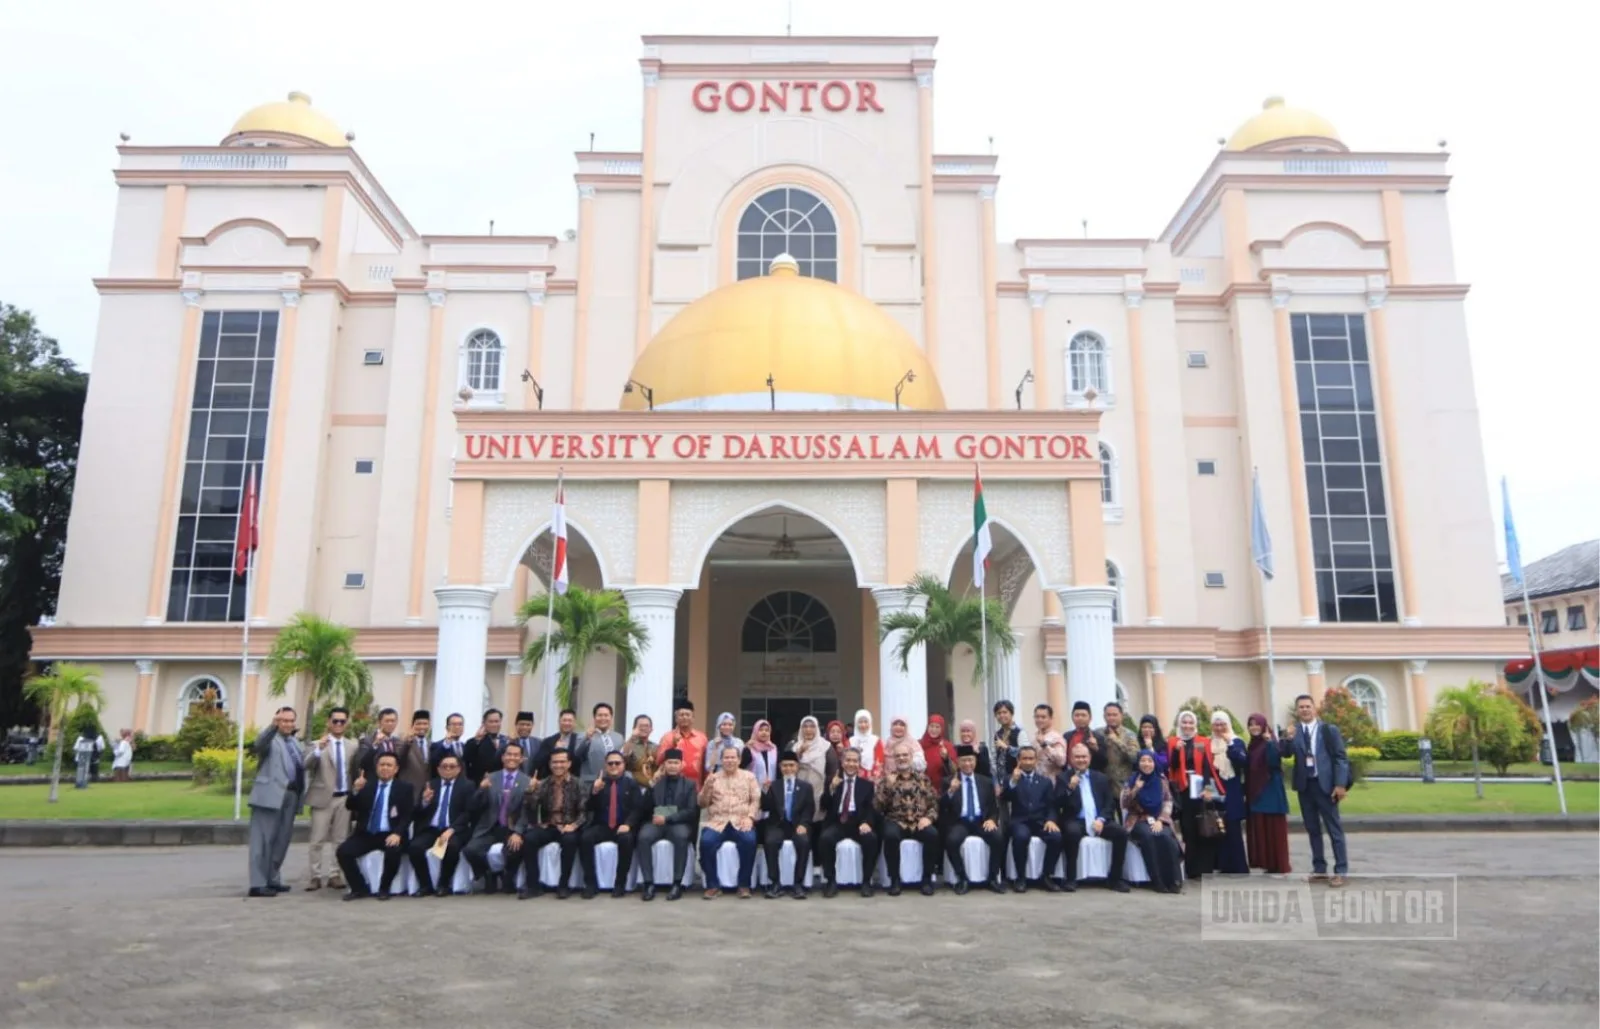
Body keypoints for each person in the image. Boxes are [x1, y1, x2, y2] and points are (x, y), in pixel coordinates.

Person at [1282, 693, 1350, 887]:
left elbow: (1340, 757)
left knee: (1334, 829)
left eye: (1307, 706)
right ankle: (1319, 869)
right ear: (1297, 711)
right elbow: (1285, 753)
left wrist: (1340, 784)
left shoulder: (1328, 730)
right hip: (1306, 786)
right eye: (1301, 707)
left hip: (1326, 786)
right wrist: (1287, 737)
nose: (1304, 710)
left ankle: (1341, 870)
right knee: (1313, 830)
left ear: (1314, 708)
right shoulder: (1295, 732)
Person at [335, 752, 416, 900]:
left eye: (389, 765)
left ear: (396, 769)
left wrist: (397, 833)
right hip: (366, 833)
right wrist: (355, 791)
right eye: (382, 765)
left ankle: (384, 888)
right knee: (343, 852)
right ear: (376, 767)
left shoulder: (405, 788)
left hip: (391, 833)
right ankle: (359, 888)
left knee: (393, 851)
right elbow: (351, 806)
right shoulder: (367, 785)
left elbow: (407, 815)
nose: (385, 768)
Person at [246, 707, 305, 898]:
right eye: (283, 720)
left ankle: (273, 878)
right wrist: (272, 726)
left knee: (281, 841)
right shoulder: (271, 740)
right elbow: (259, 744)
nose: (287, 724)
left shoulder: (295, 742)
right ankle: (258, 883)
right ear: (277, 721)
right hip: (269, 796)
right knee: (262, 841)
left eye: (290, 721)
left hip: (290, 795)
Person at [1057, 742, 1130, 893]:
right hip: (1076, 820)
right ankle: (1071, 878)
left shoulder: (1101, 778)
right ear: (1071, 759)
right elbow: (1057, 801)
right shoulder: (1063, 778)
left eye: (1084, 757)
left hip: (1098, 820)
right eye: (1077, 757)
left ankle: (1115, 878)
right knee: (1071, 833)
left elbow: (1109, 804)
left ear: (1089, 758)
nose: (1081, 760)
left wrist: (1101, 819)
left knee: (1121, 833)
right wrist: (1070, 788)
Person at [462, 741, 530, 894]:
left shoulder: (528, 782)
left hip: (511, 828)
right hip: (490, 827)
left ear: (521, 759)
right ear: (503, 757)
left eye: (516, 755)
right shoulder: (491, 778)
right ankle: (487, 875)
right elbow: (473, 806)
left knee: (515, 849)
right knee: (470, 850)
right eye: (509, 754)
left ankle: (508, 877)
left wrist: (518, 832)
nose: (512, 758)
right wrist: (481, 789)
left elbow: (527, 812)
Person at [875, 742, 942, 896]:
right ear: (893, 759)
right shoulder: (887, 780)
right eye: (898, 755)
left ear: (911, 757)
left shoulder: (923, 779)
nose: (902, 758)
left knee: (932, 835)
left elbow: (934, 804)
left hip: (919, 822)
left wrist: (928, 819)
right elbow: (878, 807)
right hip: (896, 821)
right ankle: (895, 880)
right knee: (890, 836)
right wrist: (888, 787)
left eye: (905, 755)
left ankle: (926, 880)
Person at [409, 752, 477, 896]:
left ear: (459, 769)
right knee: (415, 847)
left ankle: (443, 884)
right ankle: (425, 885)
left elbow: (468, 812)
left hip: (454, 830)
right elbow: (417, 813)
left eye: (452, 766)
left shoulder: (467, 785)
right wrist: (424, 802)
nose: (447, 770)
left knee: (450, 847)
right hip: (432, 829)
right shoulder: (430, 785)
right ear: (438, 769)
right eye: (444, 766)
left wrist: (452, 829)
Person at [303, 706, 356, 891]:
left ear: (347, 723)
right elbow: (306, 764)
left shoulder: (352, 746)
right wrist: (318, 750)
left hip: (344, 798)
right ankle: (315, 875)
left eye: (342, 721)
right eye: (335, 721)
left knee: (340, 839)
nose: (339, 724)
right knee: (317, 839)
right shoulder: (318, 743)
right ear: (329, 722)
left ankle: (335, 874)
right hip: (323, 797)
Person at [634, 747, 698, 900]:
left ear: (681, 765)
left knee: (681, 837)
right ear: (664, 765)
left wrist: (667, 818)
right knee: (643, 837)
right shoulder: (657, 782)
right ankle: (648, 883)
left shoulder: (689, 784)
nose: (672, 766)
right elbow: (645, 807)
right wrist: (651, 785)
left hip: (678, 823)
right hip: (656, 822)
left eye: (676, 763)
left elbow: (690, 811)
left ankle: (677, 883)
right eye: (669, 763)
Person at [521, 746, 585, 899]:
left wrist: (574, 825)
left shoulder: (578, 783)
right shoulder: (544, 783)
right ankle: (533, 886)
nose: (558, 765)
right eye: (555, 762)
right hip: (549, 825)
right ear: (550, 764)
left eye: (562, 762)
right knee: (529, 839)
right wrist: (531, 791)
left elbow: (584, 811)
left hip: (569, 825)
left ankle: (563, 885)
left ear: (569, 764)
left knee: (570, 842)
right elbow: (531, 807)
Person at [697, 745, 760, 898]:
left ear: (739, 760)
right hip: (718, 822)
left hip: (741, 821)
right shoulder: (714, 778)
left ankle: (744, 885)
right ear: (721, 760)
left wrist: (750, 817)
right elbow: (702, 803)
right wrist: (707, 786)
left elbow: (756, 800)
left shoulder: (749, 777)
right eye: (726, 757)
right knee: (705, 843)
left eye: (733, 757)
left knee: (749, 841)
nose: (730, 760)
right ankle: (713, 885)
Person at [941, 744, 1005, 894]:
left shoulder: (986, 781)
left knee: (997, 837)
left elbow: (993, 807)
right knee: (951, 841)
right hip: (960, 822)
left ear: (975, 761)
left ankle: (992, 878)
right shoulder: (949, 781)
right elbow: (941, 806)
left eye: (970, 760)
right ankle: (962, 878)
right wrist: (950, 791)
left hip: (980, 821)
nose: (967, 764)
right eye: (964, 761)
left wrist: (992, 819)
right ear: (958, 762)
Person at [579, 750, 643, 899]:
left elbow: (638, 808)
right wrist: (594, 792)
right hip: (602, 825)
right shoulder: (600, 783)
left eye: (617, 763)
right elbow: (589, 808)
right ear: (605, 766)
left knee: (626, 840)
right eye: (610, 763)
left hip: (623, 826)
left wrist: (628, 824)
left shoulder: (631, 784)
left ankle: (620, 884)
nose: (614, 766)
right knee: (585, 838)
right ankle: (590, 884)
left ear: (624, 765)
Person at [817, 747, 879, 898]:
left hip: (858, 822)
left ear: (859, 764)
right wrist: (831, 789)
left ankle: (866, 881)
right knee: (825, 839)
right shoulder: (833, 781)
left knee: (871, 839)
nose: (851, 764)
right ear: (842, 763)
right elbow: (824, 805)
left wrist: (867, 823)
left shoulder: (867, 785)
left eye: (855, 761)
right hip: (838, 822)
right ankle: (831, 881)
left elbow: (871, 809)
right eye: (848, 760)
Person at [1002, 745, 1063, 893]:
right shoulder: (1010, 779)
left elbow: (1051, 805)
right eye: (1025, 759)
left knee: (1056, 837)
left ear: (1036, 760)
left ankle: (1047, 876)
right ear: (1019, 760)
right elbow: (1005, 797)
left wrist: (1050, 820)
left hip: (1040, 821)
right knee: (1021, 837)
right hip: (1020, 821)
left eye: (1031, 759)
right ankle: (1021, 877)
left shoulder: (1045, 781)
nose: (1028, 762)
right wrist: (1014, 782)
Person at [1121, 750, 1184, 893]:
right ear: (1138, 763)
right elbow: (1125, 804)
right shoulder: (1132, 780)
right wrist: (1136, 789)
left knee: (1166, 837)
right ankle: (1158, 881)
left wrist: (1161, 820)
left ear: (1154, 763)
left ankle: (1174, 881)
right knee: (1148, 837)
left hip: (1158, 819)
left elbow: (1168, 801)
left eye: (1150, 761)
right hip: (1137, 820)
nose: (1146, 764)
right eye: (1143, 761)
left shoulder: (1161, 781)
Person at [1167, 710, 1218, 881]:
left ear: (1195, 725)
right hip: (1183, 789)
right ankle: (1192, 869)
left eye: (1190, 723)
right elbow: (1171, 767)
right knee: (1188, 829)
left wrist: (1207, 788)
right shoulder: (1174, 741)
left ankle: (1206, 867)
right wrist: (1176, 751)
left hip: (1200, 788)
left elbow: (1207, 766)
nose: (1187, 726)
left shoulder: (1202, 742)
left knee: (1203, 827)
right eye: (1184, 723)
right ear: (1179, 724)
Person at [760, 750, 815, 899]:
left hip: (798, 825)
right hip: (778, 825)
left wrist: (804, 824)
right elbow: (765, 807)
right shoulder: (774, 785)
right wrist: (764, 791)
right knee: (770, 842)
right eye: (785, 766)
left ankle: (798, 883)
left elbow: (809, 809)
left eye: (791, 765)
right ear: (780, 767)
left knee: (803, 842)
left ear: (797, 767)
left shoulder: (806, 787)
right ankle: (775, 883)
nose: (788, 769)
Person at [1244, 712, 1292, 875]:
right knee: (1263, 827)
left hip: (1270, 788)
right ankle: (1268, 863)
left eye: (1257, 724)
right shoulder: (1253, 744)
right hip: (1257, 791)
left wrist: (1270, 742)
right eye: (1251, 724)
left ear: (1264, 725)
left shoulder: (1270, 742)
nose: (1254, 727)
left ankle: (1280, 864)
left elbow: (1273, 762)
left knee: (1274, 827)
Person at [1210, 710, 1249, 875]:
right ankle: (1222, 864)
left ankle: (1239, 866)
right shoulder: (1209, 743)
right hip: (1214, 786)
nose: (1219, 728)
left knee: (1233, 826)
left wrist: (1230, 744)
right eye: (1216, 724)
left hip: (1232, 786)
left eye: (1222, 724)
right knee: (1218, 825)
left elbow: (1241, 762)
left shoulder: (1237, 741)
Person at [574, 702, 624, 792]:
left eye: (606, 715)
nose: (603, 718)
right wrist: (587, 738)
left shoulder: (618, 737)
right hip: (590, 783)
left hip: (614, 783)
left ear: (611, 718)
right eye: (600, 715)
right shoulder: (583, 736)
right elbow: (576, 755)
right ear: (594, 718)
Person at [657, 700, 708, 786]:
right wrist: (673, 744)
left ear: (693, 718)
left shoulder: (702, 738)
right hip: (672, 786)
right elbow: (658, 761)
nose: (684, 717)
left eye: (688, 715)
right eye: (681, 715)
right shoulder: (668, 737)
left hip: (696, 786)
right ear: (676, 718)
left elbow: (705, 764)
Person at [790, 715, 829, 799]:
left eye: (812, 726)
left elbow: (831, 770)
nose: (808, 730)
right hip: (798, 788)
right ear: (801, 729)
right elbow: (788, 767)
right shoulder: (794, 746)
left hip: (819, 788)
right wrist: (800, 752)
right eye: (805, 727)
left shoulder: (825, 745)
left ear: (817, 728)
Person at [464, 708, 508, 782]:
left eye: (497, 721)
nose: (494, 724)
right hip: (479, 783)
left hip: (501, 783)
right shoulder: (473, 742)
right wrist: (477, 740)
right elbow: (466, 760)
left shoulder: (506, 740)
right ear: (484, 723)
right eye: (491, 722)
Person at [1101, 702, 1139, 787]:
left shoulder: (1130, 735)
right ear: (1104, 716)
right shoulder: (1098, 733)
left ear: (1121, 716)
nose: (1111, 718)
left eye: (1115, 715)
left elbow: (1134, 757)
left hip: (1123, 784)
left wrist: (1117, 741)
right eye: (1108, 715)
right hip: (1104, 783)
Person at [355, 707, 401, 779]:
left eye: (393, 721)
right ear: (379, 722)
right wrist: (375, 745)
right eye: (387, 721)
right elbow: (361, 763)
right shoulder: (367, 740)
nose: (390, 724)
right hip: (374, 783)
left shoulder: (397, 741)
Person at [919, 714, 959, 794]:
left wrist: (946, 758)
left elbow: (955, 770)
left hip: (942, 790)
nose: (934, 729)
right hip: (923, 789)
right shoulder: (919, 745)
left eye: (937, 727)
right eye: (931, 726)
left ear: (942, 729)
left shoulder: (947, 746)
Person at [1064, 701, 1107, 773]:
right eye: (1077, 715)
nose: (1080, 718)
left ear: (1090, 718)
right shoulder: (1067, 736)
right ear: (1072, 717)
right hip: (1070, 775)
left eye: (1083, 715)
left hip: (1090, 776)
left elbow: (1104, 762)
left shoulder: (1098, 736)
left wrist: (1096, 749)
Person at [539, 709, 581, 778]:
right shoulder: (548, 741)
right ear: (559, 722)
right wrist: (554, 749)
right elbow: (539, 763)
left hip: (574, 782)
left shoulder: (580, 740)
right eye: (564, 720)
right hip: (551, 781)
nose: (567, 723)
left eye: (570, 721)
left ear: (574, 723)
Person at [992, 700, 1027, 782]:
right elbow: (994, 758)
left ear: (1011, 713)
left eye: (1005, 712)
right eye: (998, 713)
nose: (1001, 715)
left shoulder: (1020, 732)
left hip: (1017, 778)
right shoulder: (998, 734)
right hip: (1001, 779)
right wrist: (996, 780)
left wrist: (1007, 748)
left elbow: (1026, 754)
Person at [398, 710, 433, 791]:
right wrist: (408, 742)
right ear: (412, 725)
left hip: (427, 791)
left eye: (425, 724)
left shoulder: (432, 744)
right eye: (418, 724)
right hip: (408, 789)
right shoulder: (402, 742)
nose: (422, 727)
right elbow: (399, 760)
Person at [1031, 704, 1068, 780]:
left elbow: (1061, 761)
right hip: (1037, 781)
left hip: (1052, 782)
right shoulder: (1035, 737)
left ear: (1051, 718)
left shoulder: (1057, 737)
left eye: (1043, 717)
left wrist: (1044, 745)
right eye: (1037, 717)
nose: (1039, 720)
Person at [742, 718, 780, 791]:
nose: (764, 732)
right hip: (753, 788)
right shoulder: (749, 748)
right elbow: (741, 767)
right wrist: (746, 750)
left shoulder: (773, 748)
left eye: (766, 730)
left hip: (772, 789)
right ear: (755, 731)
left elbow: (778, 769)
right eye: (761, 730)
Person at [704, 711, 745, 778]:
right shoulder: (712, 743)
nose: (727, 727)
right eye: (724, 724)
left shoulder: (739, 743)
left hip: (736, 777)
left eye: (730, 725)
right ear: (719, 726)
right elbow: (708, 767)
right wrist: (716, 747)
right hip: (718, 777)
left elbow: (743, 764)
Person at [847, 710, 885, 780]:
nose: (863, 725)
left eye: (866, 722)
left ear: (870, 723)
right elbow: (847, 760)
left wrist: (874, 777)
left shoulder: (876, 740)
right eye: (860, 722)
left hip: (871, 777)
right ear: (856, 723)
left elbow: (879, 762)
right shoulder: (851, 741)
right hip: (853, 777)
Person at [510, 711, 544, 776]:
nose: (525, 727)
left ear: (532, 725)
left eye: (528, 725)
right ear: (516, 725)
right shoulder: (510, 742)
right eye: (522, 724)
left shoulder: (539, 743)